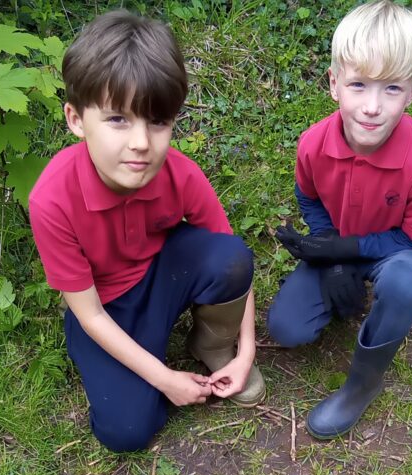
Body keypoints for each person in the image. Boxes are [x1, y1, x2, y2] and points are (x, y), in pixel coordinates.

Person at [29, 10, 265, 452]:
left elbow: (235, 254)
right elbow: (89, 314)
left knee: (230, 256)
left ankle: (215, 345)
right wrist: (164, 379)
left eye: (157, 122)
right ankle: (150, 368)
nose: (141, 142)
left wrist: (246, 351)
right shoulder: (52, 199)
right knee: (127, 432)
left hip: (162, 277)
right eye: (118, 119)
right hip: (106, 309)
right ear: (76, 119)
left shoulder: (180, 174)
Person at [268, 0, 412, 439]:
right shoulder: (312, 144)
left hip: (398, 251)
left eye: (391, 89)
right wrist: (331, 253)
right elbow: (308, 197)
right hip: (340, 244)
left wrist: (348, 250)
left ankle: (362, 384)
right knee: (286, 328)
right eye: (359, 85)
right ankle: (345, 290)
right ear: (334, 84)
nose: (371, 106)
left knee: (404, 282)